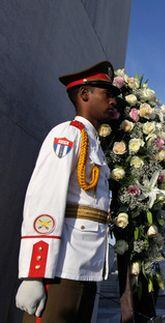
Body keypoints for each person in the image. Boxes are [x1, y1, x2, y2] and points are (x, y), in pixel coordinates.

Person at [15, 61, 120, 322]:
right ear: (85, 95)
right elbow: (45, 200)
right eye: (107, 94)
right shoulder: (66, 135)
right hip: (60, 268)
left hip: (85, 268)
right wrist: (34, 273)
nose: (113, 101)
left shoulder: (94, 145)